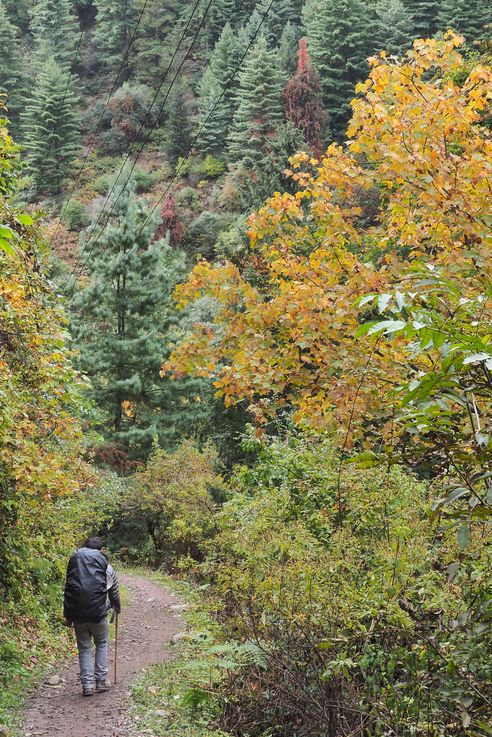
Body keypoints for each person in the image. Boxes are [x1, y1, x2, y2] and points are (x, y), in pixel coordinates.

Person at [64, 536, 121, 697]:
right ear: (101, 550)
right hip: (98, 613)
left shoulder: (75, 564)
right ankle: (101, 681)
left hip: (78, 614)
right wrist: (116, 606)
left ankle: (87, 685)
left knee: (84, 648)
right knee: (102, 643)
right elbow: (113, 589)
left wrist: (68, 615)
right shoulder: (106, 566)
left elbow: (68, 590)